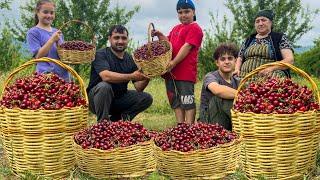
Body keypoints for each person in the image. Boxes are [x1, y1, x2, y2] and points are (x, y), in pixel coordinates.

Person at [152, 0, 203, 124]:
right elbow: (167, 43)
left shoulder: (195, 28)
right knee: (175, 100)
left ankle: (189, 126)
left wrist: (173, 62)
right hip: (171, 72)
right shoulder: (176, 28)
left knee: (187, 100)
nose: (183, 15)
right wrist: (159, 35)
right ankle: (180, 126)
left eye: (187, 12)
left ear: (193, 12)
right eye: (180, 12)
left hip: (185, 73)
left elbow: (187, 47)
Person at [87, 25, 153, 122]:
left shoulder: (129, 58)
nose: (120, 41)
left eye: (124, 38)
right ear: (109, 39)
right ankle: (103, 125)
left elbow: (139, 87)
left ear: (128, 40)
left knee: (146, 98)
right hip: (96, 100)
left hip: (118, 99)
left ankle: (119, 122)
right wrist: (132, 76)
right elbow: (105, 76)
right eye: (116, 38)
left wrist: (148, 75)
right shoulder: (100, 54)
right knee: (104, 86)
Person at [233, 9, 294, 78]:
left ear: (271, 22)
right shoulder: (249, 39)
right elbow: (240, 58)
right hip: (245, 77)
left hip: (269, 78)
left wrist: (271, 68)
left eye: (263, 20)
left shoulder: (279, 38)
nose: (260, 23)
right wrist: (237, 69)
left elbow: (289, 60)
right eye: (257, 21)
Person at [199, 43, 240, 130]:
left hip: (228, 120)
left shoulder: (237, 81)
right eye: (222, 59)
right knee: (222, 96)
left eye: (230, 58)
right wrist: (243, 95)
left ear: (235, 61)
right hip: (209, 121)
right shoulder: (210, 76)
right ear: (217, 63)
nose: (227, 62)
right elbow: (217, 90)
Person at [26, 0, 69, 80]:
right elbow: (38, 56)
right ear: (37, 12)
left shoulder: (58, 32)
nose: (49, 15)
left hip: (63, 76)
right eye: (45, 12)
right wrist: (52, 40)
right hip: (45, 76)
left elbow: (63, 55)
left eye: (52, 13)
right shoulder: (33, 32)